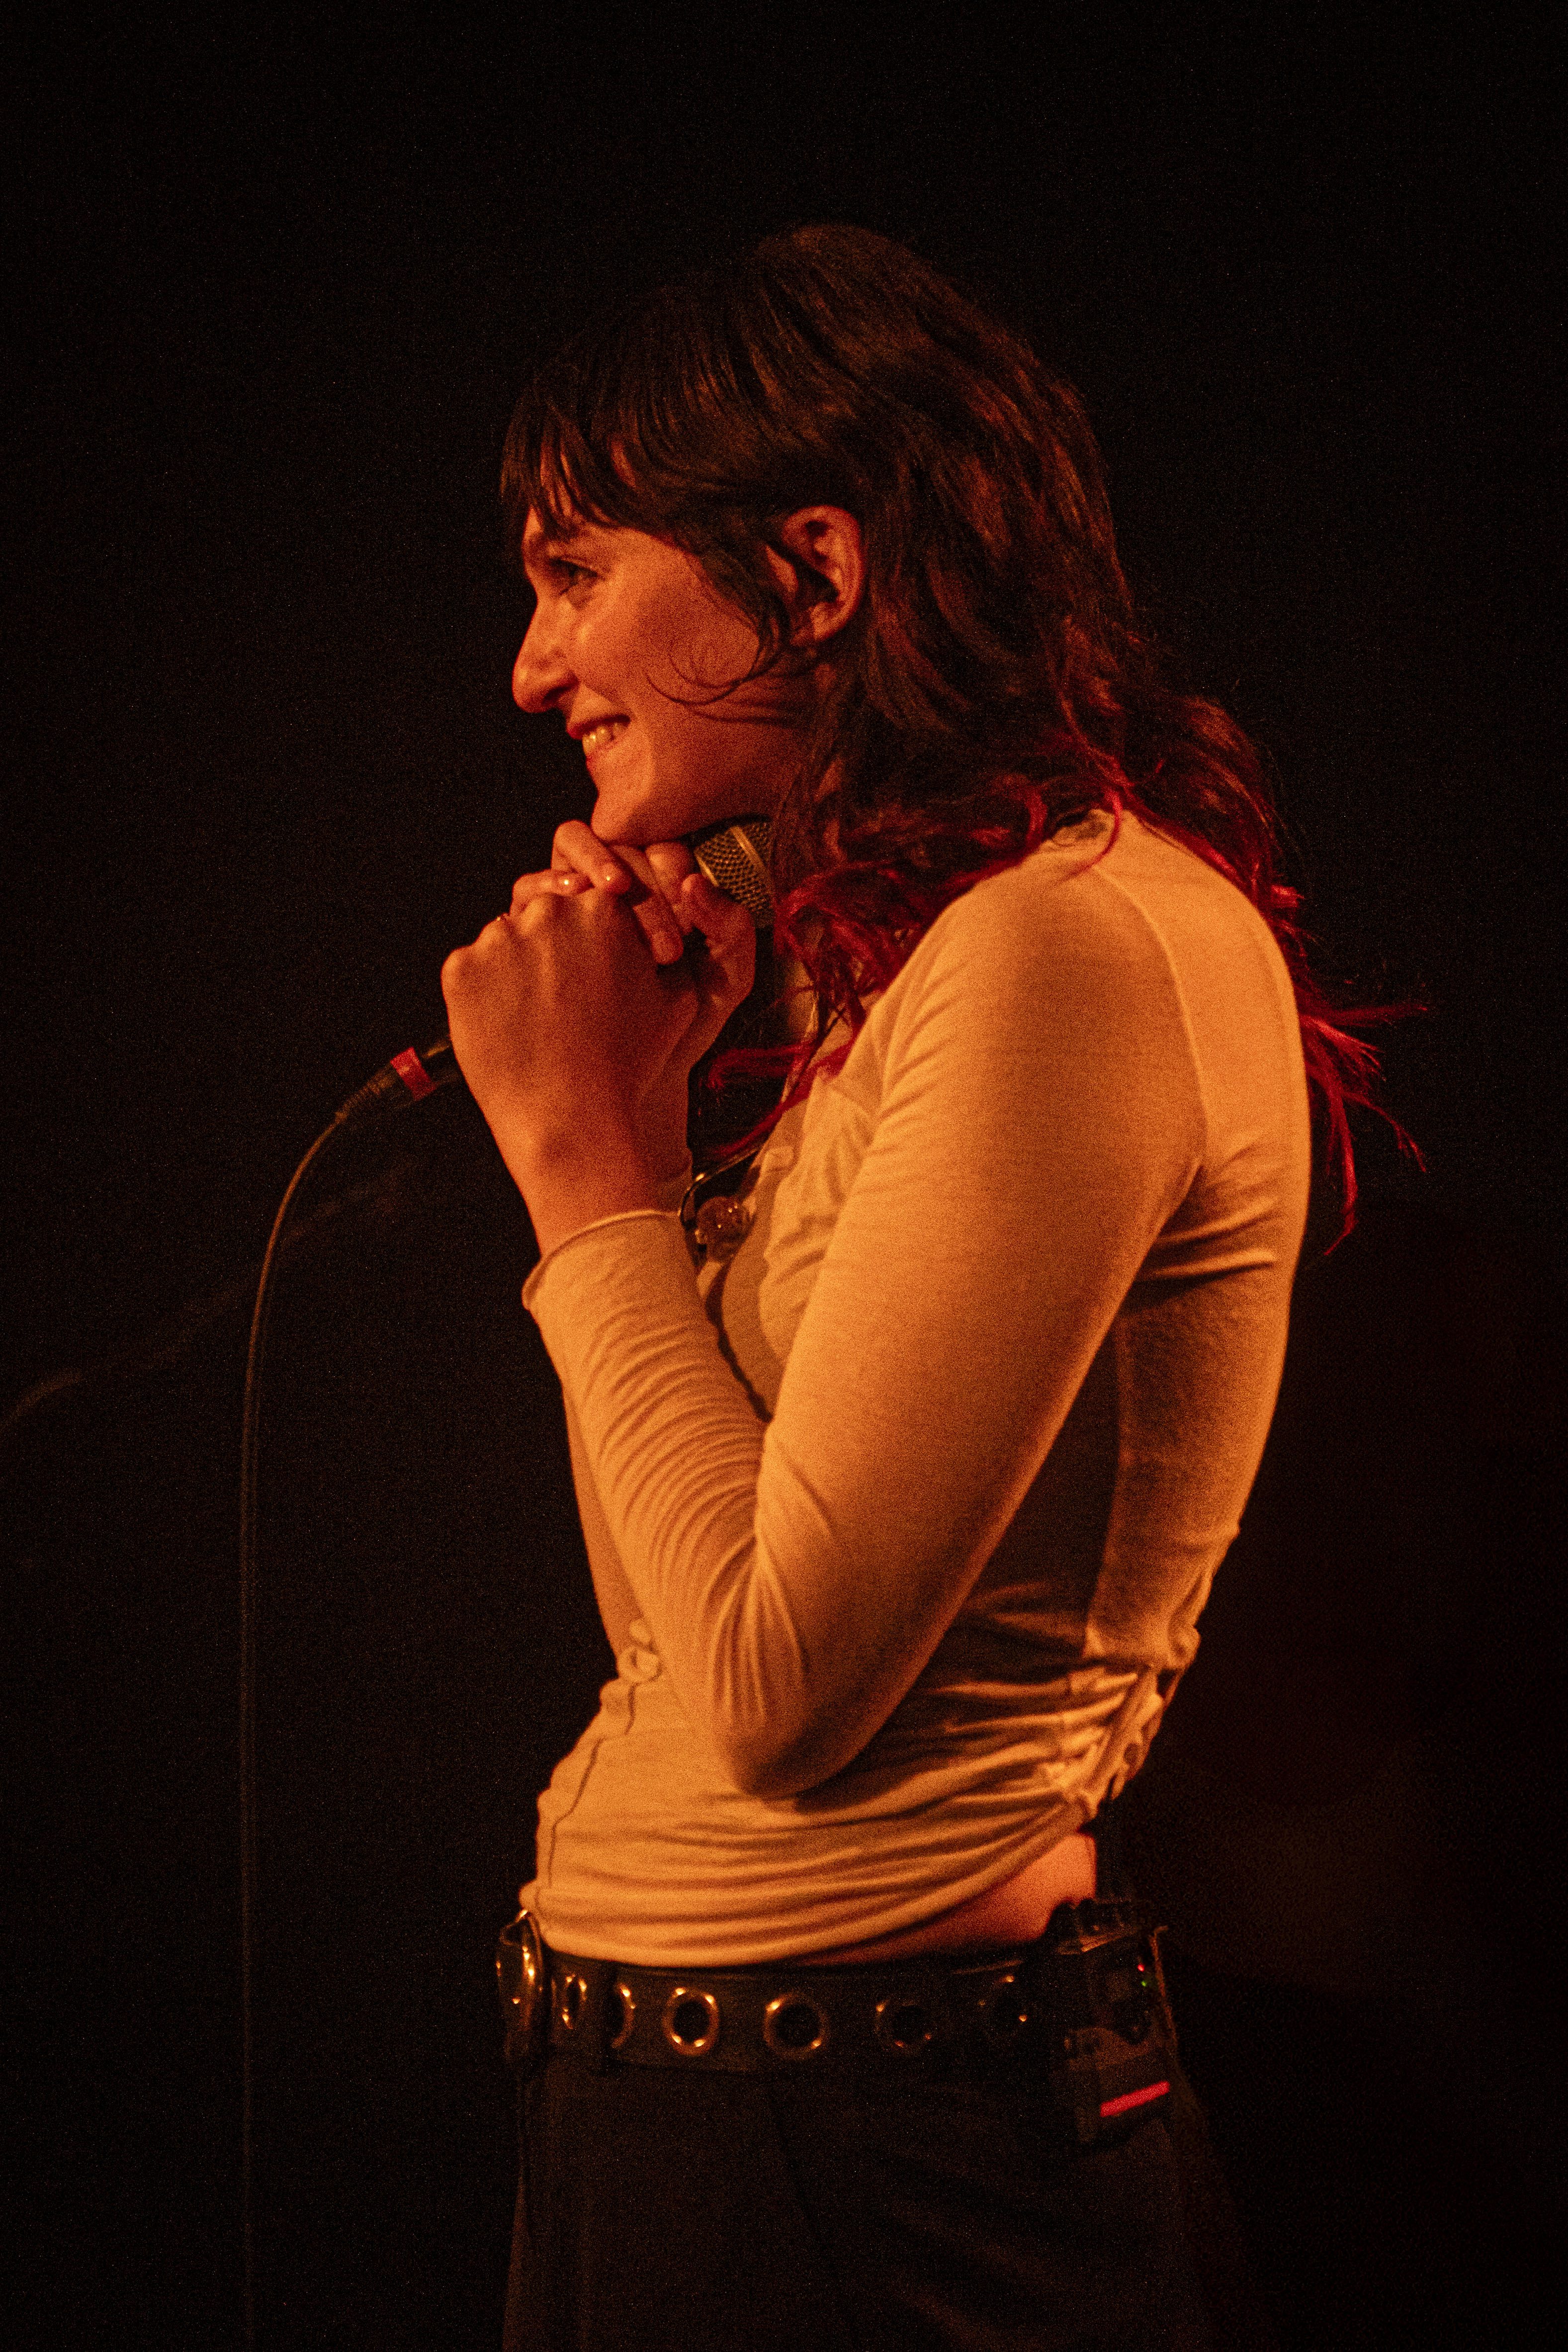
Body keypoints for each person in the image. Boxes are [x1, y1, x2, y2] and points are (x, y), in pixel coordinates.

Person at [441, 226, 1358, 2352]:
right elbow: (672, 1631)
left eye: (576, 573)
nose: (532, 668)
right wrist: (639, 1150)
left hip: (880, 2165)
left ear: (816, 573)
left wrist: (581, 1177)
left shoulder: (1071, 944)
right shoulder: (908, 985)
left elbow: (779, 1692)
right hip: (719, 2124)